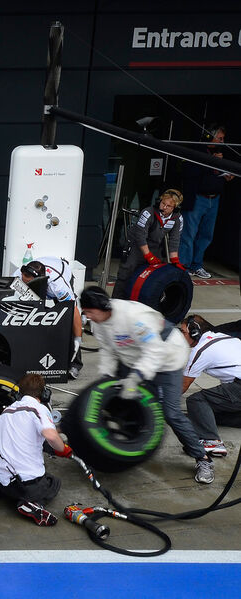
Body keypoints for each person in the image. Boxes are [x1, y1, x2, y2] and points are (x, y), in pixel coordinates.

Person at [79, 286, 213, 483]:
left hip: (167, 359)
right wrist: (106, 378)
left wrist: (136, 378)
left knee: (170, 413)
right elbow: (108, 350)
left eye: (90, 312)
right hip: (133, 359)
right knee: (115, 395)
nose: (88, 316)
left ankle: (203, 458)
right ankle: (110, 448)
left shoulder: (133, 316)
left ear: (102, 307)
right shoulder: (98, 323)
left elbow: (154, 350)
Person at [0, 373, 71, 527]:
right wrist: (63, 449)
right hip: (27, 485)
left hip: (4, 481)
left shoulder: (5, 413)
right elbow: (51, 436)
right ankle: (30, 504)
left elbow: (25, 438)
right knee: (53, 482)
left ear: (19, 393)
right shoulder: (38, 409)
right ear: (44, 393)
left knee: (6, 475)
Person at [179, 314, 241, 458]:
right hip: (237, 386)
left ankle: (212, 442)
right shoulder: (224, 338)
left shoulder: (200, 350)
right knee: (205, 414)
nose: (180, 336)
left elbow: (182, 386)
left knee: (196, 401)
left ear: (195, 332)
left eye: (183, 332)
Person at [15, 258, 84, 379]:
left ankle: (75, 364)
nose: (26, 284)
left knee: (66, 319)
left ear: (40, 280)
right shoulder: (18, 276)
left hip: (59, 274)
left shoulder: (58, 286)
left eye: (29, 283)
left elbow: (73, 312)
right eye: (24, 281)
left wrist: (78, 338)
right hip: (42, 283)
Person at [180, 125, 234, 279]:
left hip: (214, 199)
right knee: (189, 234)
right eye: (220, 138)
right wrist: (211, 161)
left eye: (223, 139)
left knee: (206, 235)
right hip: (198, 198)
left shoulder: (220, 153)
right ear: (210, 135)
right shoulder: (197, 149)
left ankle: (197, 265)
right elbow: (188, 171)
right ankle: (184, 266)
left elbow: (215, 174)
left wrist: (226, 174)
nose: (222, 141)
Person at [113, 189, 184, 299]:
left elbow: (174, 239)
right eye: (163, 203)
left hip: (155, 247)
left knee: (157, 275)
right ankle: (116, 303)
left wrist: (175, 260)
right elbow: (140, 236)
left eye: (169, 206)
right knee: (125, 274)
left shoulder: (178, 218)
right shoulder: (148, 212)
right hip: (136, 246)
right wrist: (148, 255)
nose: (164, 207)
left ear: (176, 208)